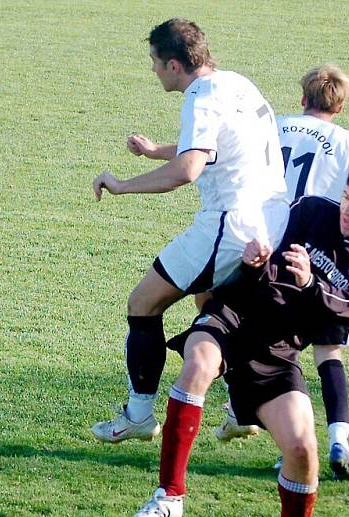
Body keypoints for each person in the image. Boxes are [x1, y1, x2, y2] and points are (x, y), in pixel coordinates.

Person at [129, 160, 349, 517]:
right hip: (233, 316)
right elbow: (264, 238)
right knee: (198, 365)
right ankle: (169, 496)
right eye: (346, 198)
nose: (347, 210)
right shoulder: (312, 210)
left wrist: (312, 284)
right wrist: (255, 258)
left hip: (278, 354)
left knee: (302, 448)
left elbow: (346, 310)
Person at [90, 18, 289, 443]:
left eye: (155, 62)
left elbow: (189, 168)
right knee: (212, 306)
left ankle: (140, 413)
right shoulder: (238, 84)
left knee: (143, 302)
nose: (154, 70)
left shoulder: (199, 97)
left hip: (229, 224)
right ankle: (242, 406)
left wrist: (123, 185)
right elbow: (221, 144)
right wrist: (154, 150)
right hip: (269, 220)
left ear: (175, 65)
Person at [215, 64, 349, 482]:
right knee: (327, 353)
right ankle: (339, 440)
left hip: (263, 247)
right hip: (318, 257)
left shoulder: (276, 126)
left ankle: (244, 413)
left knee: (252, 340)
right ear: (340, 106)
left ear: (303, 97)